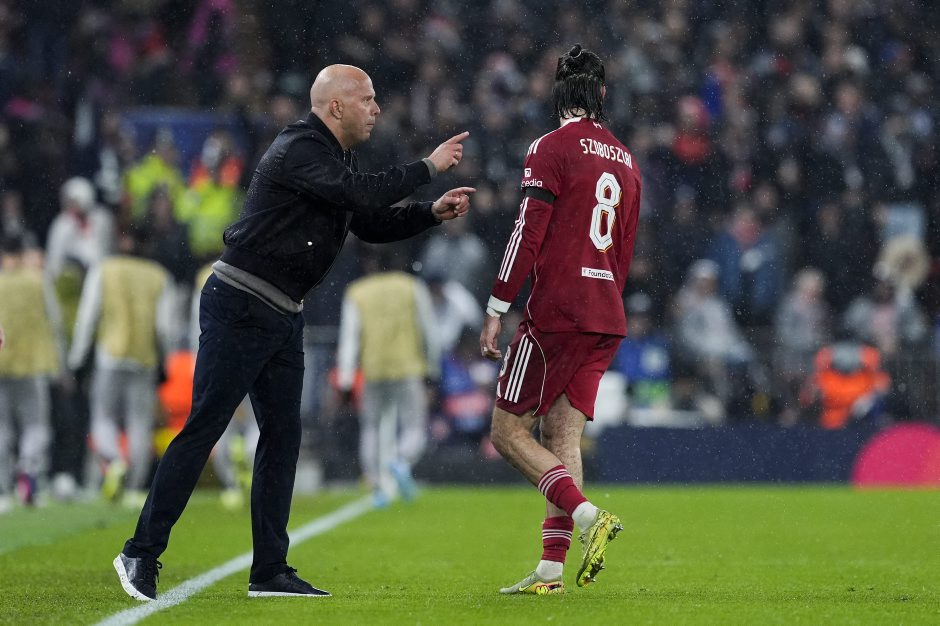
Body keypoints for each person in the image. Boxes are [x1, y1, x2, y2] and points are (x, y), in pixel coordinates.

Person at [113, 64, 474, 602]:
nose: (377, 109)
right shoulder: (300, 148)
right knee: (207, 425)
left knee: (282, 439)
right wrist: (428, 167)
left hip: (282, 311)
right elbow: (361, 194)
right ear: (336, 107)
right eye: (368, 99)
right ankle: (139, 553)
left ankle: (269, 570)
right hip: (241, 302)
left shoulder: (335, 158)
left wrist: (431, 214)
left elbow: (368, 222)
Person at [479, 45, 640, 595]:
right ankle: (551, 570)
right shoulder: (627, 160)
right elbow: (624, 250)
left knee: (507, 432)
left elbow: (528, 232)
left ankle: (590, 517)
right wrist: (603, 298)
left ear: (558, 93)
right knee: (562, 435)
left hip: (558, 312)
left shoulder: (550, 147)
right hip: (606, 312)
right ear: (601, 94)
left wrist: (498, 304)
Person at [68, 227, 175, 508]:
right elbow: (164, 328)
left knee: (103, 417)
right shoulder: (159, 276)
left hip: (110, 356)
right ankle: (134, 488)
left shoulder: (105, 269)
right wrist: (165, 360)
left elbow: (88, 316)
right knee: (139, 423)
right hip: (144, 359)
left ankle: (114, 459)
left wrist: (77, 358)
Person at [336, 247, 440, 506]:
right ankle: (401, 459)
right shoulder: (411, 287)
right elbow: (428, 329)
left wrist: (346, 379)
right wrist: (432, 368)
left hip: (373, 369)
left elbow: (349, 337)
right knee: (414, 427)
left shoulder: (358, 291)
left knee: (371, 427)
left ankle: (376, 483)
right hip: (407, 367)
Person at [0, 234, 65, 510]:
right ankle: (28, 471)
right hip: (32, 363)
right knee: (35, 424)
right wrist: (61, 364)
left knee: (2, 426)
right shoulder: (38, 280)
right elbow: (55, 320)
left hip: (2, 363)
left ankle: (3, 489)